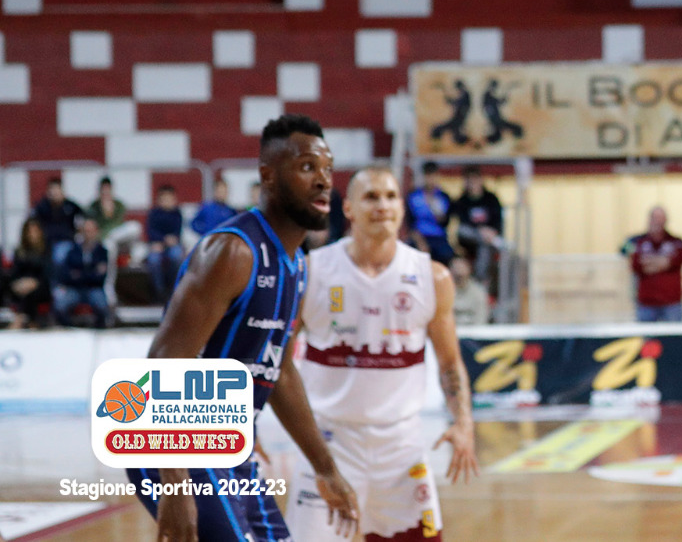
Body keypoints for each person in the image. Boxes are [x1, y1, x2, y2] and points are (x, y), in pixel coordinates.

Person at [127, 114, 359, 542]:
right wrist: (174, 486)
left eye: (328, 169)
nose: (324, 180)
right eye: (308, 167)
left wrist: (326, 469)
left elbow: (281, 372)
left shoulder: (299, 266)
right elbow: (161, 364)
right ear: (268, 177)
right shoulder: (233, 252)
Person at [288, 166, 479, 541]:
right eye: (371, 197)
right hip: (329, 444)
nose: (383, 206)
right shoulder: (310, 272)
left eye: (391, 197)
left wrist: (463, 422)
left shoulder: (432, 277)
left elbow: (449, 363)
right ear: (349, 210)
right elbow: (276, 360)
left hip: (402, 445)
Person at [623, 206, 682, 322]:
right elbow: (636, 265)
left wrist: (652, 262)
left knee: (673, 338)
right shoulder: (639, 242)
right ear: (650, 219)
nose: (658, 222)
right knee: (647, 338)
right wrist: (663, 262)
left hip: (671, 300)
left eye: (661, 218)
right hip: (647, 301)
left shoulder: (676, 241)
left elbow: (677, 261)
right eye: (656, 218)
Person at [51, 217, 111, 328]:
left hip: (93, 289)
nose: (88, 234)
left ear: (96, 232)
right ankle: (70, 328)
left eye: (91, 231)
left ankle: (99, 330)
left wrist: (79, 274)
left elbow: (100, 278)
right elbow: (66, 274)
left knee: (102, 306)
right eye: (86, 231)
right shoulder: (73, 250)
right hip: (75, 289)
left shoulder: (102, 252)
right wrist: (91, 273)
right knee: (59, 304)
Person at [449, 165, 503, 267]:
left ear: (481, 180)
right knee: (469, 233)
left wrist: (491, 231)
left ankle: (480, 279)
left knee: (485, 246)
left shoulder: (491, 199)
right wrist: (480, 231)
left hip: (488, 237)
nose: (472, 183)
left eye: (474, 179)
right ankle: (481, 279)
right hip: (469, 235)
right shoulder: (462, 201)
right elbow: (462, 222)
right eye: (469, 179)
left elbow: (498, 220)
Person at [4, 219, 53, 328]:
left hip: (41, 286)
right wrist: (18, 283)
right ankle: (28, 321)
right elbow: (15, 273)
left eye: (35, 231)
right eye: (29, 231)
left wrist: (33, 282)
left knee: (32, 292)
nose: (32, 234)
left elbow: (47, 273)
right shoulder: (19, 251)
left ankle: (22, 318)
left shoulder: (46, 250)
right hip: (22, 285)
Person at [405, 161, 456, 265]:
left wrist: (436, 210)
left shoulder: (444, 197)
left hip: (439, 238)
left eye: (433, 175)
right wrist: (420, 242)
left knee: (447, 255)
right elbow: (410, 223)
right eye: (428, 175)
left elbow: (446, 222)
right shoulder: (413, 196)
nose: (430, 179)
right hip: (419, 237)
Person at [145, 184, 186, 304]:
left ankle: (173, 289)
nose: (167, 201)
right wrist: (162, 240)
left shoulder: (177, 213)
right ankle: (159, 291)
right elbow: (150, 231)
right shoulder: (154, 214)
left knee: (177, 256)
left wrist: (171, 240)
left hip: (172, 245)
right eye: (164, 199)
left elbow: (178, 232)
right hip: (156, 245)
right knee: (153, 260)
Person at [86, 176, 143, 255]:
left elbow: (119, 222)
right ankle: (111, 267)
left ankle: (133, 265)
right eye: (103, 190)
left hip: (118, 234)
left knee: (136, 227)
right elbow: (94, 225)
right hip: (104, 237)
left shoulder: (119, 204)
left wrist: (110, 210)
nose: (105, 192)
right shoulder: (94, 206)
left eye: (108, 189)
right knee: (109, 245)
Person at [30, 178, 83, 250]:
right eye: (52, 190)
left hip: (67, 242)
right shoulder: (41, 207)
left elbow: (83, 218)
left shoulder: (71, 206)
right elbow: (32, 223)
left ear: (62, 190)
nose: (54, 193)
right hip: (46, 243)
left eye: (56, 189)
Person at [450, 256, 491, 326]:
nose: (459, 275)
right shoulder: (443, 292)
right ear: (450, 271)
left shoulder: (479, 292)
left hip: (473, 333)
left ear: (469, 271)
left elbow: (481, 317)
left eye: (461, 274)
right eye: (456, 273)